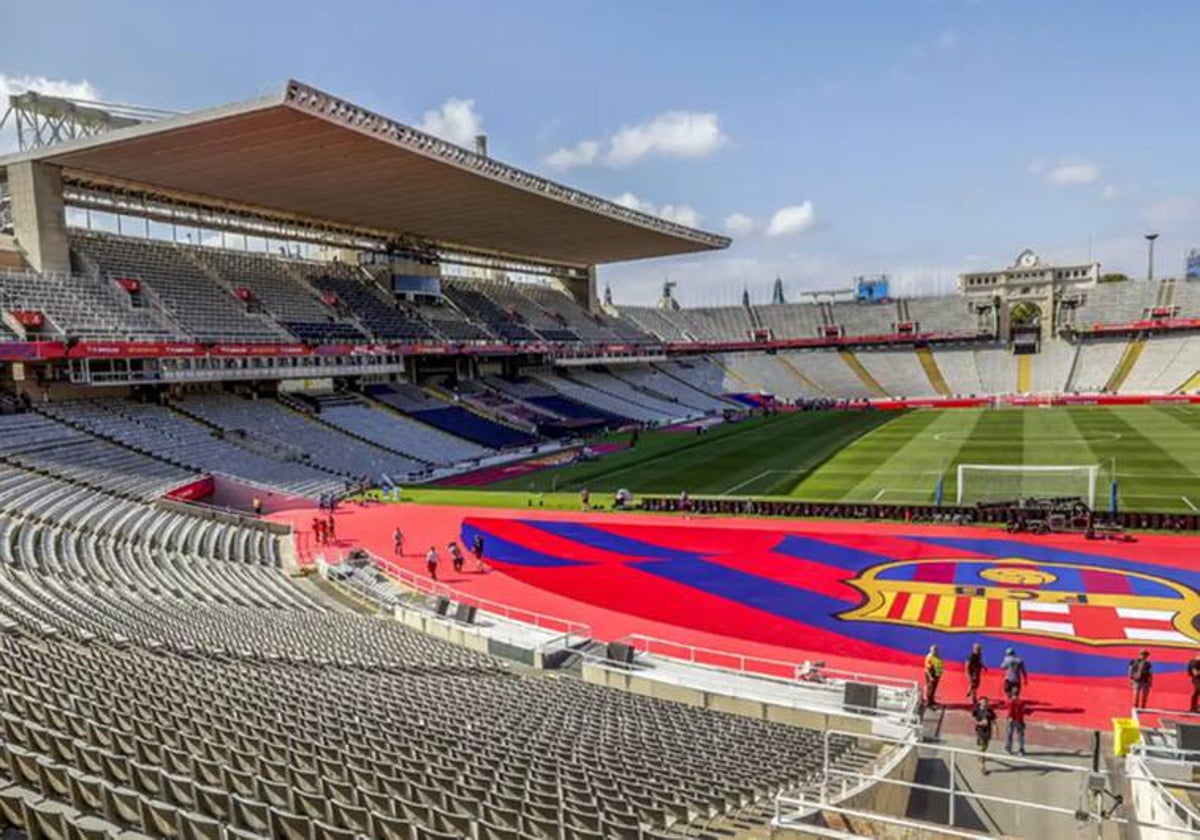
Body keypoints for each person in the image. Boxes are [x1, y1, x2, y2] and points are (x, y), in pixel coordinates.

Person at [973, 697, 997, 774]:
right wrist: (980, 723)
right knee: (982, 748)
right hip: (980, 732)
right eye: (983, 702)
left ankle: (980, 756)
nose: (985, 703)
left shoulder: (990, 711)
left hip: (988, 731)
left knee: (985, 746)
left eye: (986, 702)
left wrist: (997, 730)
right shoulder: (976, 710)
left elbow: (994, 721)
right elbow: (973, 720)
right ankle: (983, 767)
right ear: (980, 702)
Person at [923, 645, 944, 709]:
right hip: (930, 674)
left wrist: (939, 673)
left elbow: (939, 665)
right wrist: (930, 677)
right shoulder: (929, 657)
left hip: (936, 674)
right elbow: (927, 669)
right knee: (930, 688)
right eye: (934, 650)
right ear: (931, 650)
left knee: (934, 688)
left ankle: (932, 701)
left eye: (936, 650)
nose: (935, 651)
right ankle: (928, 703)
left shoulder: (937, 656)